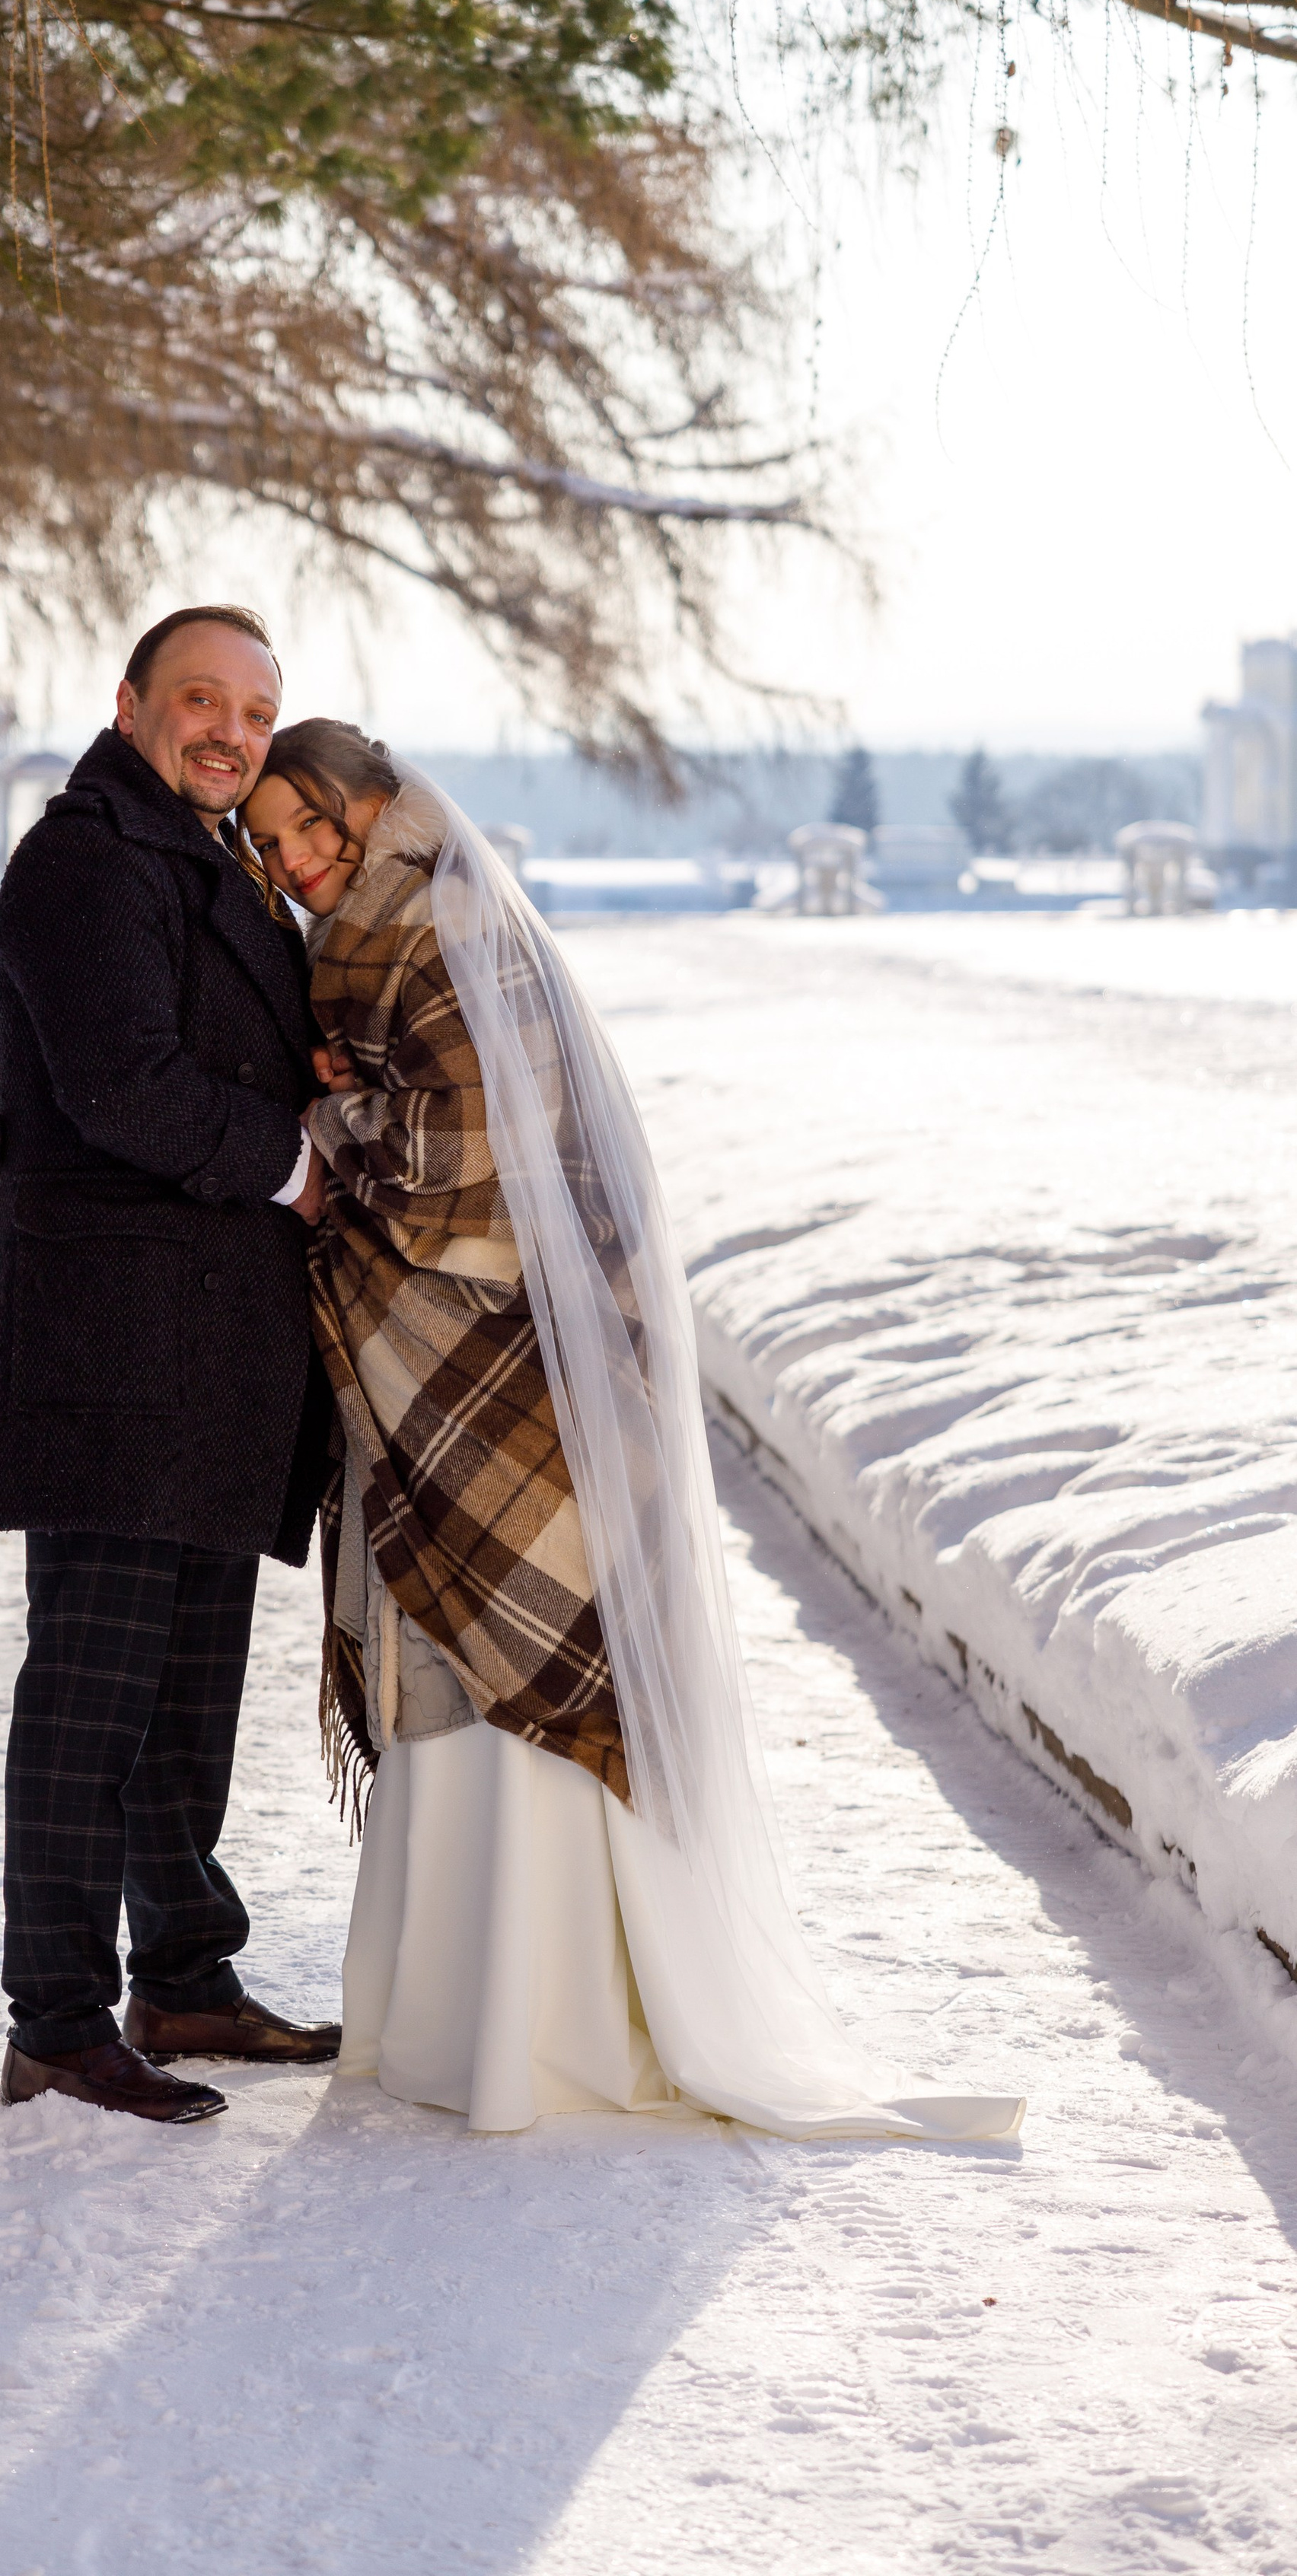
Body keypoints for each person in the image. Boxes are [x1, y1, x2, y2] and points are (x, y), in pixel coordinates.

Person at [242, 720, 1025, 2141]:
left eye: (312, 825)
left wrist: (326, 1121)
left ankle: (548, 2024)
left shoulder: (446, 929)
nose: (296, 859)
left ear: (375, 805)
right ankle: (459, 2011)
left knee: (526, 1653)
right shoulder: (360, 942)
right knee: (453, 1665)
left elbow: (474, 1170)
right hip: (434, 1369)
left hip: (512, 1361)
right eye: (271, 841)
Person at [0, 609, 340, 2125]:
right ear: (129, 705)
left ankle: (182, 1974)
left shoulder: (202, 858)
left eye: (254, 712)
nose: (231, 734)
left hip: (207, 1355)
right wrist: (296, 1166)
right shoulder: (85, 861)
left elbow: (225, 1041)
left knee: (186, 1692)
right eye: (201, 699)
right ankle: (56, 2022)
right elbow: (124, 1084)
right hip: (111, 1352)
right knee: (91, 1699)